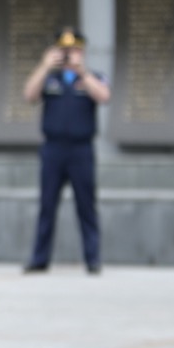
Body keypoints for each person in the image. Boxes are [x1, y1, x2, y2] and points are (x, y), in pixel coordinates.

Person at [22, 27, 110, 274]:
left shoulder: (93, 77)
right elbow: (29, 94)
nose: (69, 55)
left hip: (81, 150)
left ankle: (92, 259)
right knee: (47, 205)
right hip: (53, 149)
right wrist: (44, 66)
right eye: (65, 50)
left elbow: (104, 96)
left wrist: (82, 72)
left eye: (74, 50)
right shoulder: (50, 78)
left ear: (82, 52)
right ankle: (39, 258)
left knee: (86, 206)